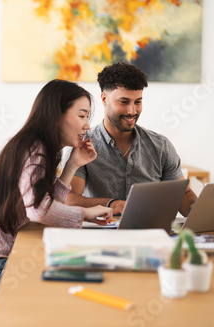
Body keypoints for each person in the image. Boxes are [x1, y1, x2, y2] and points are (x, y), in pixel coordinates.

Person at [0, 79, 113, 312]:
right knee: (62, 293)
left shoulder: (36, 147)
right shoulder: (34, 149)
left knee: (68, 277)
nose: (87, 125)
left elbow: (43, 203)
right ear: (56, 114)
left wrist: (73, 165)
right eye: (82, 115)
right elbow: (39, 210)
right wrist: (85, 213)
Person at [65, 62, 197, 216]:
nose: (132, 111)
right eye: (124, 102)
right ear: (104, 99)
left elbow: (183, 194)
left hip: (149, 235)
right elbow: (69, 200)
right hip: (100, 234)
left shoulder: (161, 146)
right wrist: (112, 205)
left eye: (138, 102)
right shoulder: (81, 145)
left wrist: (201, 210)